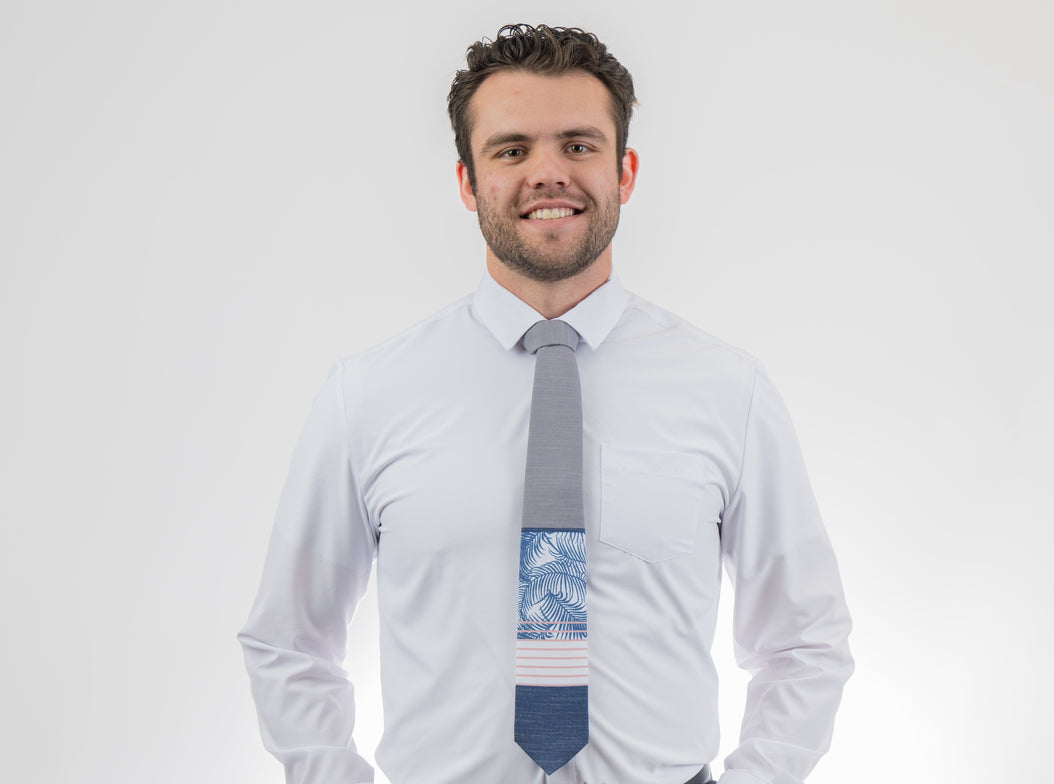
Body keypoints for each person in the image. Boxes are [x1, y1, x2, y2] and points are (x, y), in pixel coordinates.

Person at [239, 23, 853, 784]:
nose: (548, 173)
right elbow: (287, 640)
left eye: (579, 145)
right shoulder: (366, 397)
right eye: (511, 150)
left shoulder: (730, 392)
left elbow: (805, 638)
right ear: (469, 182)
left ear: (624, 172)